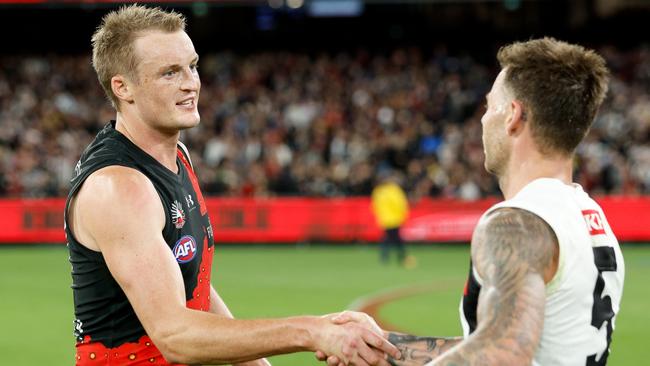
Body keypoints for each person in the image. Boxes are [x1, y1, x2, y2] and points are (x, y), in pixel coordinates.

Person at [64, 5, 399, 366]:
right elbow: (176, 336)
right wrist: (313, 331)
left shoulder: (177, 156)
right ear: (123, 87)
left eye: (192, 66)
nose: (191, 83)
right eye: (169, 73)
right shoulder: (119, 187)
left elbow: (195, 290)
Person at [320, 38, 625, 365]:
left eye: (489, 106)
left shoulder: (516, 222)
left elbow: (501, 354)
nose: (482, 120)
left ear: (513, 115)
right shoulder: (589, 216)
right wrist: (385, 349)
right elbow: (503, 342)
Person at [370, 171, 410, 265]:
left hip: (385, 219)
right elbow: (401, 203)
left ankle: (387, 257)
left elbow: (375, 205)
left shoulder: (378, 191)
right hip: (394, 218)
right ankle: (402, 257)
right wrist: (403, 214)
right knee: (395, 238)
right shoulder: (394, 189)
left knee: (390, 238)